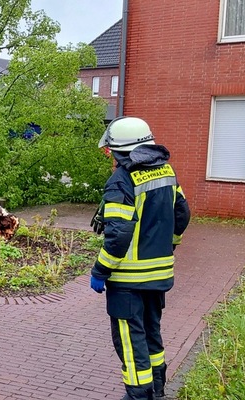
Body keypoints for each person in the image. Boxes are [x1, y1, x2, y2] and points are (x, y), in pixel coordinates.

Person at [89, 116, 190, 400]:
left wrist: (101, 270)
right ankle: (157, 390)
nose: (110, 158)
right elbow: (182, 216)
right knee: (151, 333)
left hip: (128, 282)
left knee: (131, 343)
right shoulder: (167, 173)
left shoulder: (121, 180)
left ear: (122, 151)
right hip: (159, 276)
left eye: (110, 152)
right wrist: (168, 247)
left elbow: (118, 236)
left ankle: (138, 396)